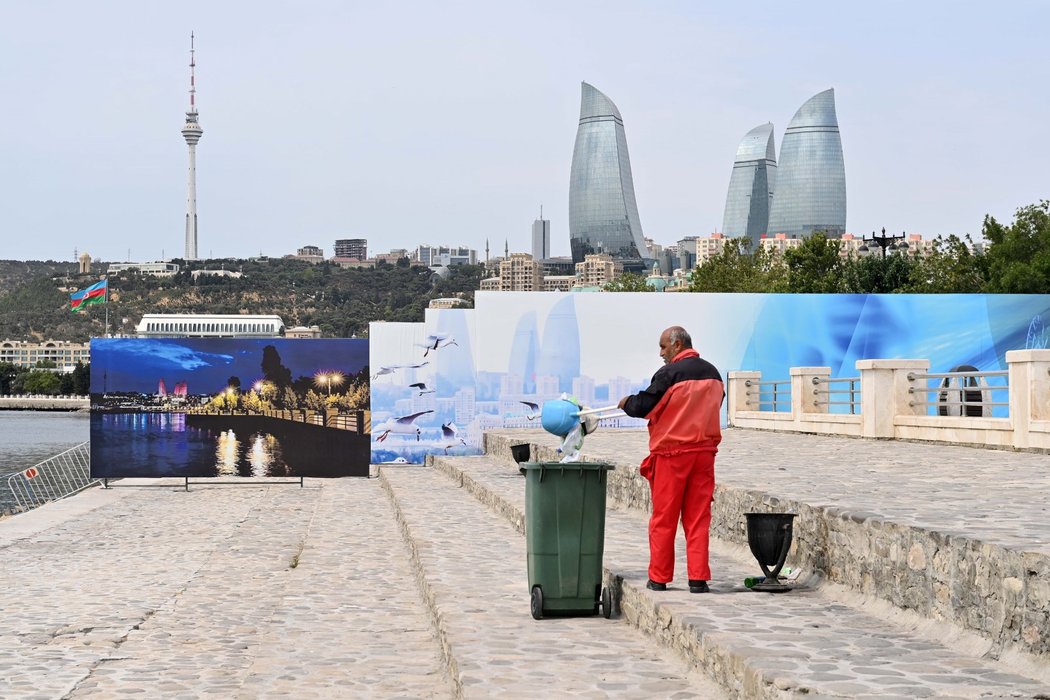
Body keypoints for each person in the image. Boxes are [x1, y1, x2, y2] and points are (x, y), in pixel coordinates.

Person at [617, 326, 724, 593]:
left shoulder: (669, 374)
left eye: (664, 346)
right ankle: (698, 579)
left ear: (677, 344)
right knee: (698, 518)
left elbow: (645, 406)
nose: (661, 353)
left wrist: (627, 402)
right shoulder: (714, 373)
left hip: (671, 455)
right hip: (704, 455)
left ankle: (659, 578)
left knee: (664, 518)